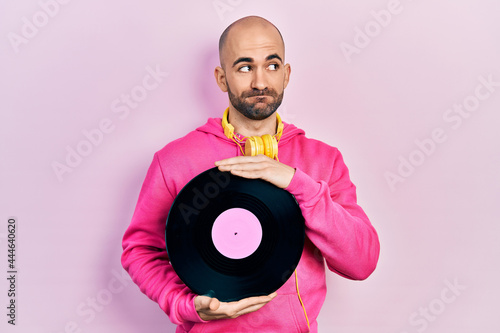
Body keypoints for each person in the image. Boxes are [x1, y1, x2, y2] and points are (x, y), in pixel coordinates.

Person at [121, 15, 380, 333]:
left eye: (271, 66)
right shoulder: (175, 160)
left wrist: (300, 185)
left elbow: (362, 262)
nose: (260, 82)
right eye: (245, 67)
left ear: (286, 75)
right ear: (221, 78)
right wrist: (186, 306)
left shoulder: (324, 160)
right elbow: (140, 250)